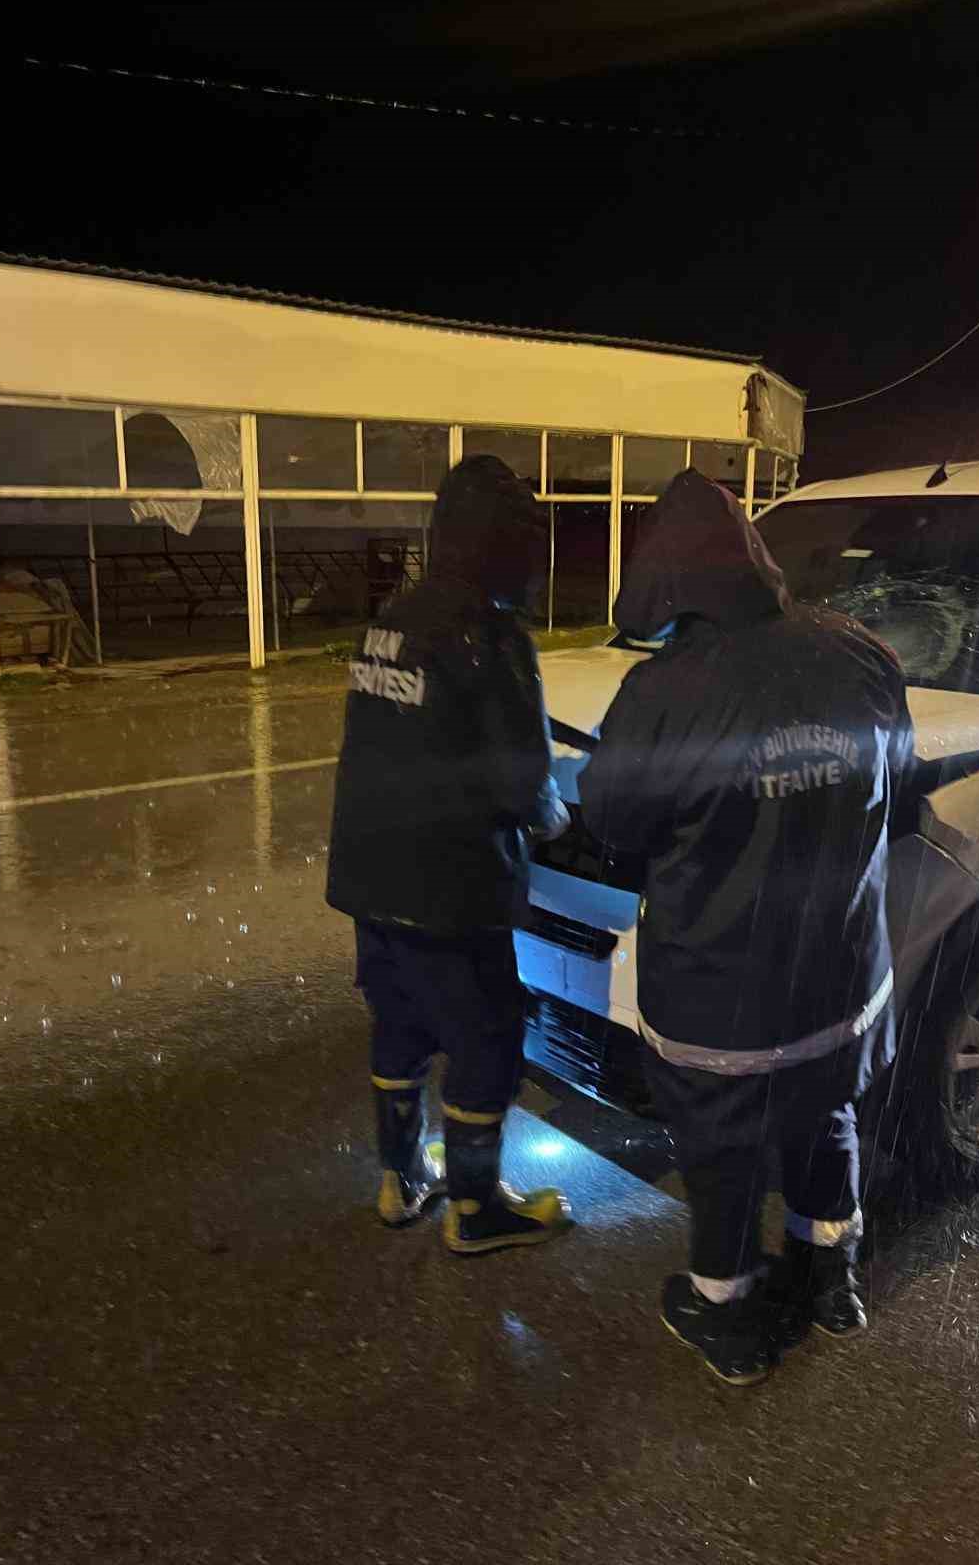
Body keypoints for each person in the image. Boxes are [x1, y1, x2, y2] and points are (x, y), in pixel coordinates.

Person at [579, 468, 913, 1386]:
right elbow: (900, 773)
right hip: (840, 976)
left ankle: (725, 1313)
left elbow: (612, 820)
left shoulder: (662, 692)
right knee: (825, 1108)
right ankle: (831, 1276)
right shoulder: (859, 655)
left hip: (718, 995)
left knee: (721, 1151)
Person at [326, 454, 572, 1255]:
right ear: (503, 543)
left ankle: (401, 1179)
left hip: (371, 876)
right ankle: (476, 1207)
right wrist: (557, 819)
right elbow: (523, 781)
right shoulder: (491, 638)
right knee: (488, 1038)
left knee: (400, 1024)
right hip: (449, 888)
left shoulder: (390, 620)